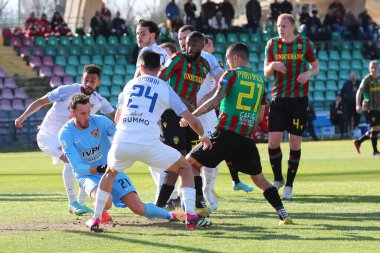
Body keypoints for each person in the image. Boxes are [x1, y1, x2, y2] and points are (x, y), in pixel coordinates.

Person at [87, 50, 212, 231]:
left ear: (141, 67)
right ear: (160, 67)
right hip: (148, 144)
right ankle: (191, 216)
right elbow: (191, 119)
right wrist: (203, 136)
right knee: (185, 167)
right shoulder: (164, 87)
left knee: (109, 173)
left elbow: (118, 118)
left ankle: (96, 218)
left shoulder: (129, 84)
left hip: (123, 141)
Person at [185, 42, 293, 225]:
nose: (227, 65)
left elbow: (215, 100)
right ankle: (283, 213)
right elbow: (260, 117)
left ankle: (200, 204)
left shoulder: (231, 74)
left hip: (225, 134)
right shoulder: (259, 80)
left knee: (189, 163)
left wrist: (191, 116)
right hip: (246, 139)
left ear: (235, 58)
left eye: (228, 60)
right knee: (259, 179)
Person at [59, 94, 184, 230]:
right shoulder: (65, 134)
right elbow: (78, 168)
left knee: (138, 207)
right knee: (106, 202)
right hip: (88, 175)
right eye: (82, 114)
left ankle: (171, 215)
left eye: (88, 112)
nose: (87, 117)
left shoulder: (100, 121)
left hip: (111, 171)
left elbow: (121, 133)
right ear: (72, 113)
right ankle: (99, 214)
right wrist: (101, 168)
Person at [14, 65, 115, 215]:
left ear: (98, 82)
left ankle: (81, 204)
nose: (88, 84)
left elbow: (114, 115)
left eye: (92, 81)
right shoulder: (65, 90)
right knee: (70, 160)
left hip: (68, 140)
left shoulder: (99, 101)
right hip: (48, 136)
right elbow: (41, 102)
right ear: (82, 79)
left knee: (85, 162)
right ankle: (72, 202)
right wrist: (22, 117)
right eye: (86, 80)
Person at [264, 14, 319, 200]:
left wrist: (307, 74)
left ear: (293, 26)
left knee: (295, 143)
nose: (281, 29)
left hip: (298, 100)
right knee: (273, 142)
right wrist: (273, 64)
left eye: (284, 26)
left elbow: (316, 67)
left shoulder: (305, 43)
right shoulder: (272, 44)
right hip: (279, 98)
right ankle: (278, 179)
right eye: (279, 26)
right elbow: (266, 71)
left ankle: (289, 185)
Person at [353, 60, 380, 156]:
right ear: (369, 68)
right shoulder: (367, 79)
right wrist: (357, 104)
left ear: (378, 68)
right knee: (376, 127)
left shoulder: (379, 80)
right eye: (372, 66)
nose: (374, 68)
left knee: (376, 129)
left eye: (375, 66)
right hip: (369, 108)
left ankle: (359, 142)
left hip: (378, 108)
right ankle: (375, 151)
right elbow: (359, 92)